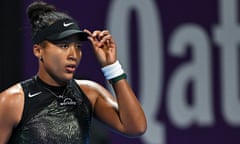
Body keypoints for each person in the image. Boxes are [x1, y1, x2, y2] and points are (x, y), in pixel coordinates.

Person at [0, 1, 147, 144]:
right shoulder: (12, 101)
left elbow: (136, 127)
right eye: (64, 45)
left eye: (77, 46)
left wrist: (112, 67)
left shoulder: (90, 93)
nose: (73, 55)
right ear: (38, 51)